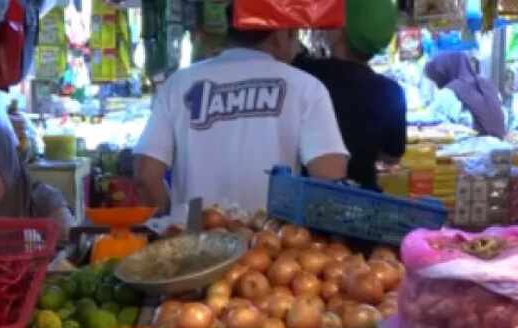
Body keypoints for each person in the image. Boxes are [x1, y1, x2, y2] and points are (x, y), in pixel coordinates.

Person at [134, 6, 349, 213]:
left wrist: (173, 219)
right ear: (281, 33)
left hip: (195, 242)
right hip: (272, 244)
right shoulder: (306, 87)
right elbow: (329, 178)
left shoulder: (178, 83)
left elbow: (145, 175)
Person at [292, 0, 405, 191]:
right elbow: (391, 156)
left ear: (339, 31)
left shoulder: (305, 73)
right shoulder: (390, 91)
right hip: (365, 199)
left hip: (307, 201)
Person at [423, 51, 508, 138]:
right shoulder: (488, 85)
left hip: (469, 146)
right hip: (499, 143)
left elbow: (428, 118)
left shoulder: (449, 92)